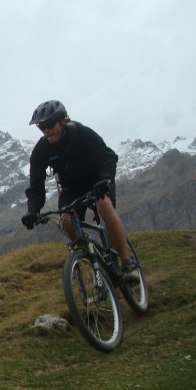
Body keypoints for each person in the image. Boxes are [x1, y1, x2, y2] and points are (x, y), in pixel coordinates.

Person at [21, 99, 139, 281]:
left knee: (104, 205)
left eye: (50, 124)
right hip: (71, 188)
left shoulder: (82, 133)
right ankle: (92, 256)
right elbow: (36, 186)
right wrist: (33, 210)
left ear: (63, 120)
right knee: (67, 221)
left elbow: (108, 157)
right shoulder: (41, 150)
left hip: (98, 180)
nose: (46, 130)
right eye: (41, 127)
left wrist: (105, 179)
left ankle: (126, 261)